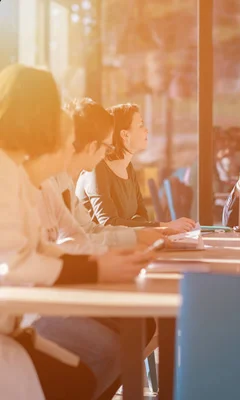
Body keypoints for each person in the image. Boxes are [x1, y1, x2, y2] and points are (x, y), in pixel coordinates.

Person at [0, 64, 154, 399]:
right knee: (76, 380)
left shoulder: (15, 170)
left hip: (14, 326)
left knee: (79, 377)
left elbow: (41, 247)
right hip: (13, 326)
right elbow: (15, 263)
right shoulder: (7, 171)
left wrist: (105, 262)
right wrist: (97, 267)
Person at [39, 98, 165, 253]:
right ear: (93, 147)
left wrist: (139, 235)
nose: (107, 153)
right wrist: (136, 237)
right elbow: (74, 240)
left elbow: (88, 231)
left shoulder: (66, 184)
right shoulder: (48, 184)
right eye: (107, 147)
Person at [76, 103, 195, 230]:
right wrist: (165, 227)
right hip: (98, 246)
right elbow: (108, 222)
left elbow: (141, 215)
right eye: (140, 125)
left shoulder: (128, 167)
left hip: (123, 244)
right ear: (125, 135)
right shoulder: (96, 168)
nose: (146, 130)